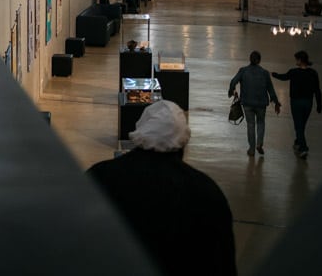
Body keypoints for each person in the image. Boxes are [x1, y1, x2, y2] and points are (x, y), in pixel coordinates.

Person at [87, 100, 237, 276]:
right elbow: (221, 264)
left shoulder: (100, 177)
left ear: (139, 133)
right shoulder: (206, 193)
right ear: (184, 141)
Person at [228, 50, 281, 156]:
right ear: (259, 60)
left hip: (247, 103)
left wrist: (232, 91)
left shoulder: (243, 71)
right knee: (261, 123)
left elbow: (233, 81)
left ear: (250, 59)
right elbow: (270, 89)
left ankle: (251, 149)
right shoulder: (265, 73)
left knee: (250, 125)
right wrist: (276, 102)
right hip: (261, 104)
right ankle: (259, 143)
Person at [271, 50, 322, 158]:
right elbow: (317, 90)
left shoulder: (294, 72)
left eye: (296, 59)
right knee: (302, 124)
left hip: (296, 102)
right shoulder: (313, 73)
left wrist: (273, 74)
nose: (295, 61)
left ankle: (303, 148)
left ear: (300, 60)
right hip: (308, 102)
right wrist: (319, 104)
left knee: (298, 126)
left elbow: (284, 77)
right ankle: (298, 142)